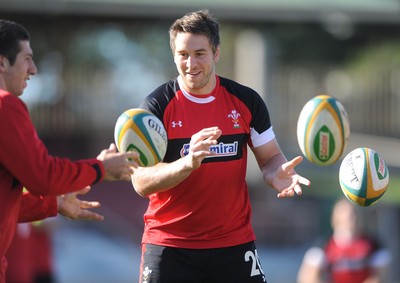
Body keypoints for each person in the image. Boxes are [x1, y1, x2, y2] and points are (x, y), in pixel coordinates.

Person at [131, 10, 311, 283]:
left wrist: (277, 173)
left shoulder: (246, 101)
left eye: (200, 53)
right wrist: (188, 162)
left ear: (216, 53)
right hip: (169, 245)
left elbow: (271, 157)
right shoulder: (156, 106)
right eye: (183, 54)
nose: (191, 63)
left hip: (233, 244)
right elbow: (140, 182)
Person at [0, 19, 139, 283]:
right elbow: (43, 175)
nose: (33, 69)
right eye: (27, 58)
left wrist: (55, 203)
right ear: (2, 62)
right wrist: (100, 168)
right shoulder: (6, 105)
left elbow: (8, 205)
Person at [297, 198, 392, 283]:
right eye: (345, 214)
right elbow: (307, 278)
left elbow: (381, 277)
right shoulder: (323, 246)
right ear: (334, 218)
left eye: (353, 213)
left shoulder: (373, 245)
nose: (351, 218)